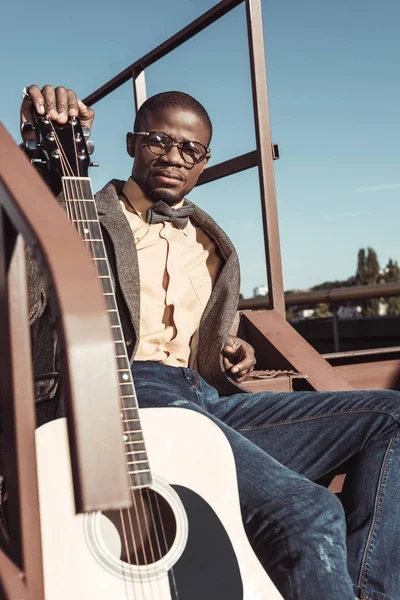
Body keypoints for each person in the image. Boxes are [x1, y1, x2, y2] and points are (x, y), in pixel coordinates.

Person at [20, 84, 400, 600]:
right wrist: (40, 160)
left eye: (191, 149)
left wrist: (230, 344)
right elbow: (26, 276)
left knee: (391, 415)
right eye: (159, 140)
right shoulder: (80, 216)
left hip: (205, 399)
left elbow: (204, 326)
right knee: (306, 510)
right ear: (132, 144)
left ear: (205, 161)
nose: (175, 156)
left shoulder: (211, 241)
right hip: (129, 392)